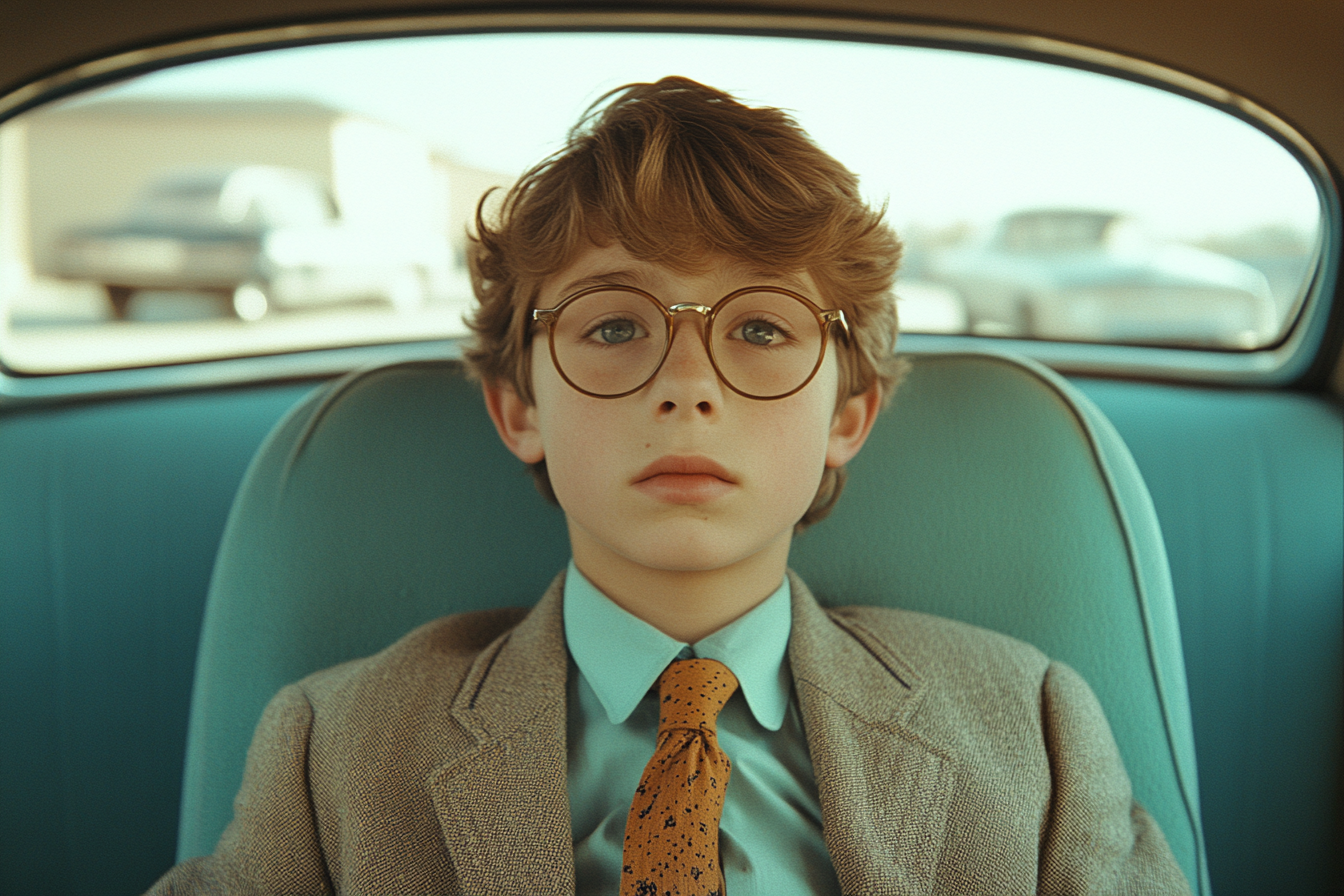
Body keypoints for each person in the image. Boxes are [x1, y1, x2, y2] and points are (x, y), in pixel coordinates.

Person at [147, 77, 1191, 895]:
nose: (688, 385)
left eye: (761, 328)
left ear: (845, 416)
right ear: (519, 409)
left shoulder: (1031, 725)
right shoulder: (338, 746)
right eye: (613, 326)